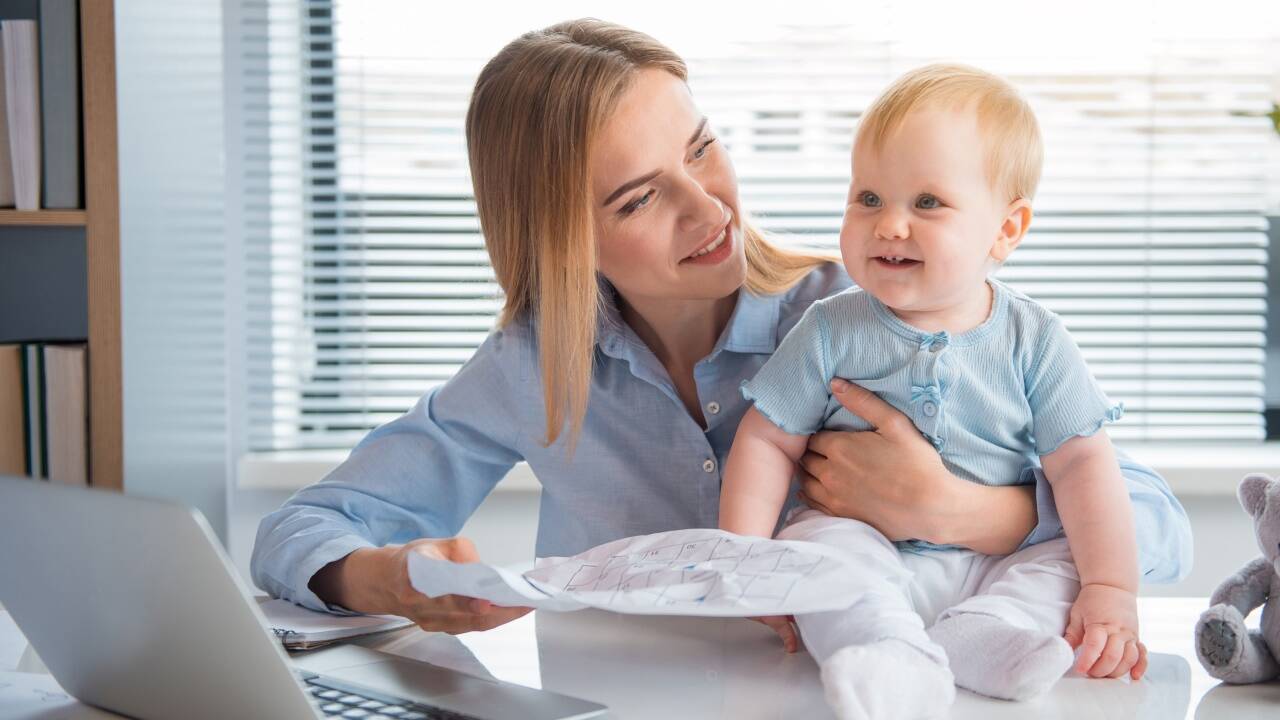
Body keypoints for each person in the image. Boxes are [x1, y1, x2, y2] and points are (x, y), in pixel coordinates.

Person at [250, 19, 1190, 659]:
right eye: (639, 195)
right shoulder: (534, 366)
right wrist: (385, 581)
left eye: (702, 148)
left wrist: (960, 513)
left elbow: (1158, 529)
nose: (709, 207)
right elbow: (298, 532)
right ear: (560, 236)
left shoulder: (866, 315)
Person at [718, 64, 1146, 719]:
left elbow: (1085, 464)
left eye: (926, 203)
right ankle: (886, 650)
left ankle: (988, 637)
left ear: (1006, 229)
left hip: (993, 564)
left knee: (1064, 562)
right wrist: (747, 561)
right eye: (867, 199)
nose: (889, 225)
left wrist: (1112, 587)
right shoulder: (830, 327)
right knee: (818, 551)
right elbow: (768, 441)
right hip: (866, 549)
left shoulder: (1035, 338)